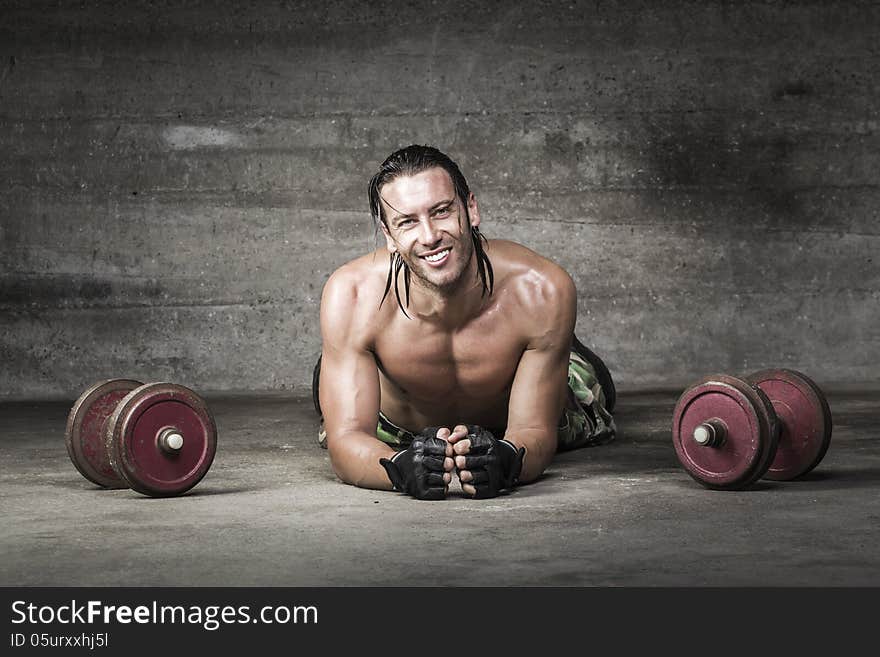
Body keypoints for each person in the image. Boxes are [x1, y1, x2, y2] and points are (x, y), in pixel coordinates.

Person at [314, 144, 616, 500]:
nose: (429, 237)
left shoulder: (542, 288)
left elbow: (533, 428)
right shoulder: (352, 295)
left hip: (508, 416)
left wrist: (508, 459)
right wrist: (398, 468)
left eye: (441, 211)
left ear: (470, 209)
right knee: (328, 384)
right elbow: (346, 440)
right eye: (407, 221)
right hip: (398, 428)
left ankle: (556, 348)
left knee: (593, 383)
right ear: (389, 235)